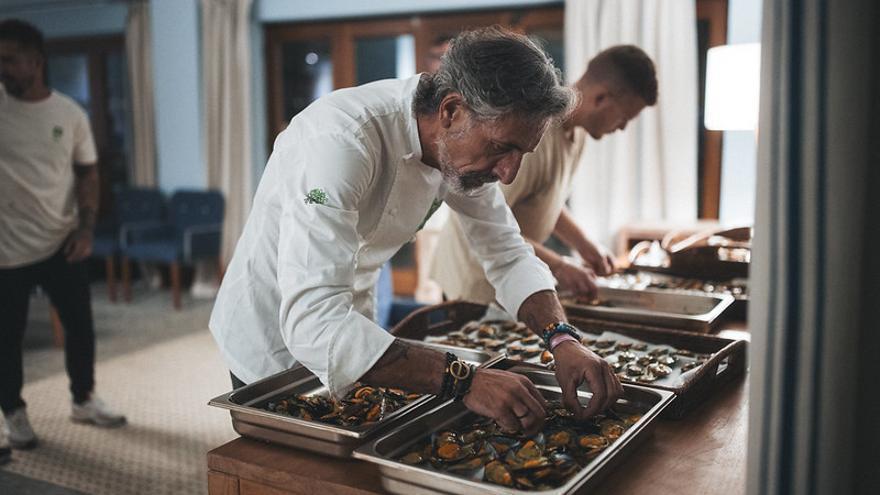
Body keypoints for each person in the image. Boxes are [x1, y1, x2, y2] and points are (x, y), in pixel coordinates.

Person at [210, 27, 623, 436]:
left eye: (521, 153)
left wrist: (562, 339)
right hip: (273, 331)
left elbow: (508, 253)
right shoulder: (341, 140)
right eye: (501, 148)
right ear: (451, 110)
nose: (509, 173)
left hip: (354, 323)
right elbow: (313, 321)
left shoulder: (461, 149)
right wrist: (465, 380)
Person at [431, 45, 658, 304]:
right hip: (475, 283)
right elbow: (483, 224)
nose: (622, 128)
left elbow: (543, 199)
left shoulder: (578, 134)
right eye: (625, 117)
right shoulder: (532, 138)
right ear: (601, 99)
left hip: (508, 274)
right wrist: (559, 266)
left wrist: (584, 244)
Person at [0, 19, 126, 462]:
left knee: (80, 327)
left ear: (37, 61)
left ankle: (82, 399)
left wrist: (86, 228)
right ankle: (13, 411)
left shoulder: (70, 114)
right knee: (6, 338)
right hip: (5, 251)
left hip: (61, 241)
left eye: (11, 60)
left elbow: (87, 172)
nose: (4, 69)